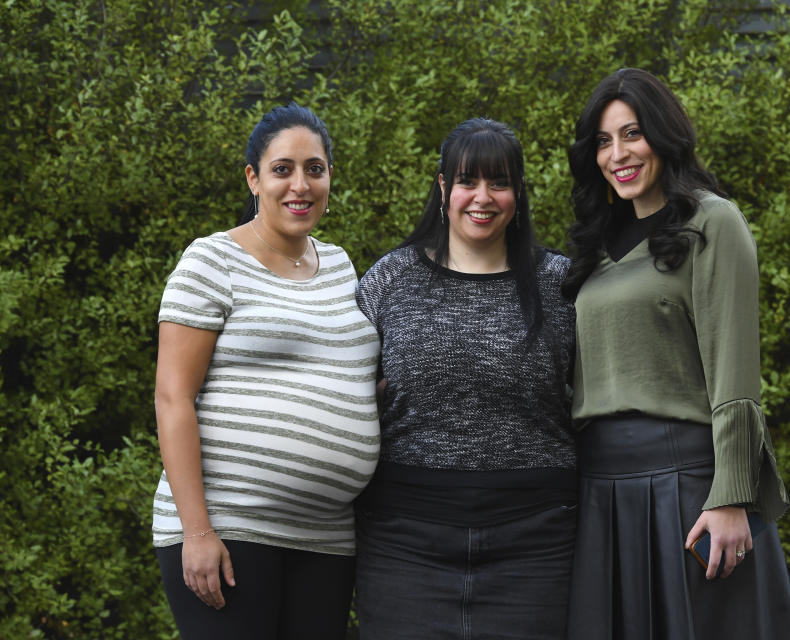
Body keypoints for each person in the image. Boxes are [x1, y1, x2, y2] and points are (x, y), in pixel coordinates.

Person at [562, 68, 790, 639]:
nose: (616, 154)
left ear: (664, 136)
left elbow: (735, 371)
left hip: (690, 486)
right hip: (599, 491)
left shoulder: (713, 221)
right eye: (602, 140)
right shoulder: (592, 250)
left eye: (631, 134)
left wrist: (732, 496)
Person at [152, 103, 380, 640]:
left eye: (314, 169)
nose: (300, 185)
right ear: (254, 178)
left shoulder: (342, 266)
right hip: (231, 530)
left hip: (326, 539)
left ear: (329, 177)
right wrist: (198, 531)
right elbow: (172, 398)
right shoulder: (212, 261)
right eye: (283, 169)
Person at [353, 118, 578, 639]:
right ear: (441, 188)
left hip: (538, 540)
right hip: (404, 538)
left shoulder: (562, 286)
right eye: (467, 181)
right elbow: (342, 392)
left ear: (518, 193)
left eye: (499, 183)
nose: (482, 197)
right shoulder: (391, 279)